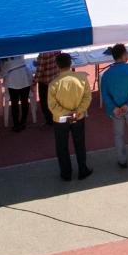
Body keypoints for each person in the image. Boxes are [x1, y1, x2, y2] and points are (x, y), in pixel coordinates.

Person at [47, 52, 93, 181]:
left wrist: (66, 113)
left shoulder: (53, 84)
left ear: (57, 65)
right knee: (80, 144)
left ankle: (66, 173)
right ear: (70, 63)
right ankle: (83, 169)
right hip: (78, 117)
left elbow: (52, 106)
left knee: (62, 147)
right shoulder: (82, 79)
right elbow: (87, 97)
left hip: (60, 120)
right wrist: (77, 111)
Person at [0, 55, 33, 133]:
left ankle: (16, 124)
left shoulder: (4, 57)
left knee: (15, 103)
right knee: (24, 101)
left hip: (12, 80)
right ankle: (23, 122)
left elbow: (1, 73)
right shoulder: (18, 51)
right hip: (24, 76)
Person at [33, 50, 61, 126]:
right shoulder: (56, 48)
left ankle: (49, 121)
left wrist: (34, 83)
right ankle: (56, 118)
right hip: (55, 79)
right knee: (55, 101)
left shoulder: (43, 53)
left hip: (45, 82)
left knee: (45, 104)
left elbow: (39, 71)